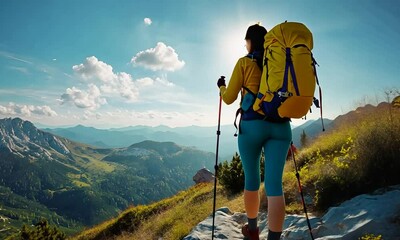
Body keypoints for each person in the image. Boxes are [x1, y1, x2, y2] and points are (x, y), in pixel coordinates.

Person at [217, 24, 291, 240]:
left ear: (250, 41)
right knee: (275, 185)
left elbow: (229, 98)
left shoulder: (244, 63)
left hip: (252, 127)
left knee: (252, 180)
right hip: (281, 126)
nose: (245, 45)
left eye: (246, 41)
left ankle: (252, 231)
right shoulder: (279, 62)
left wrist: (221, 87)